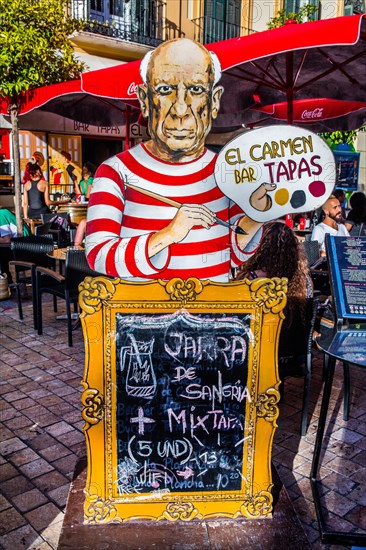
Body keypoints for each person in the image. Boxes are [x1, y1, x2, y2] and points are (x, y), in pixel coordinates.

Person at [86, 39, 276, 281]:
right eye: (165, 90)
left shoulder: (227, 172)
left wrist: (256, 215)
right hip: (141, 316)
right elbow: (97, 255)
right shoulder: (115, 171)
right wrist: (168, 235)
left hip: (212, 315)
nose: (180, 110)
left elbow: (231, 256)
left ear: (214, 101)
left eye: (196, 90)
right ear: (145, 100)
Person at [235, 221, 313, 327]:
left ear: (260, 247)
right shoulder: (305, 280)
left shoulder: (252, 278)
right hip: (294, 339)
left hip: (263, 338)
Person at [0, 208, 30, 284]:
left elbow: (7, 240)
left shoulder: (1, 215)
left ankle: (7, 281)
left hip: (23, 249)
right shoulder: (4, 212)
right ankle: (8, 280)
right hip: (28, 244)